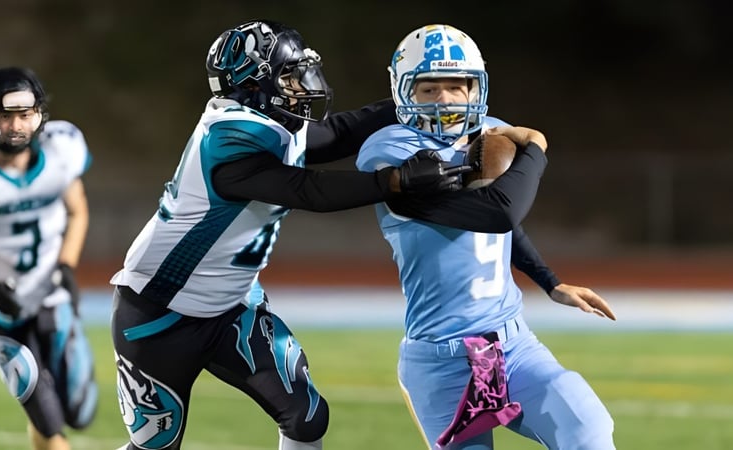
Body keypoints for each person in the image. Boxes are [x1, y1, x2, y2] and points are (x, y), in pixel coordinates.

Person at [109, 20, 475, 450]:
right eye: (289, 76)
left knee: (306, 418)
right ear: (252, 84)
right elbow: (308, 191)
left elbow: (338, 133)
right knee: (156, 447)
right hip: (158, 315)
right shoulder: (228, 135)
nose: (302, 85)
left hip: (231, 309)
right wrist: (395, 180)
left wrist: (414, 101)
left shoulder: (270, 122)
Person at [356, 24, 617, 449]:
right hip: (442, 364)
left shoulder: (491, 131)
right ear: (404, 92)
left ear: (475, 87)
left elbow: (504, 227)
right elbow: (496, 212)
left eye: (457, 86)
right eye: (429, 89)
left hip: (513, 347)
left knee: (587, 428)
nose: (445, 99)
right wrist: (534, 146)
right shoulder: (390, 152)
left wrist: (550, 282)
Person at [0, 67, 96, 450]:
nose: (16, 125)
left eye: (25, 114)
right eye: (5, 114)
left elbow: (77, 209)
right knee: (46, 418)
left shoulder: (62, 150)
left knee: (77, 412)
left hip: (49, 295)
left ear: (40, 113)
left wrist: (66, 266)